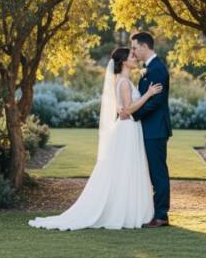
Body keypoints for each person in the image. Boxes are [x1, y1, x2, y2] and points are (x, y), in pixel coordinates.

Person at [28, 47, 163, 230]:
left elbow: (122, 110)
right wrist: (148, 94)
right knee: (126, 169)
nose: (135, 58)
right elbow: (128, 109)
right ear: (123, 62)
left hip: (129, 128)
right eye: (132, 56)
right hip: (128, 129)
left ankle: (130, 210)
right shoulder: (123, 82)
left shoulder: (124, 81)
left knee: (127, 169)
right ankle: (125, 211)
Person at [120, 31, 172, 228]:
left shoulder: (157, 69)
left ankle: (161, 216)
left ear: (144, 46)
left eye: (134, 47)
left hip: (156, 129)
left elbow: (155, 102)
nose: (132, 51)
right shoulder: (149, 69)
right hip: (149, 128)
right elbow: (144, 98)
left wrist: (133, 114)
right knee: (152, 172)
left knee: (158, 173)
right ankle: (154, 212)